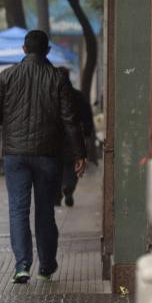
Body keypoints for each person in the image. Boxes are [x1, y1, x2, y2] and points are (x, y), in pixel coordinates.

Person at [0, 30, 85, 284]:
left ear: (23, 49)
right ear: (48, 51)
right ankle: (47, 265)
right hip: (47, 154)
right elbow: (70, 119)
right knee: (44, 211)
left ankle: (22, 266)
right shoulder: (57, 78)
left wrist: (8, 122)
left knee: (18, 209)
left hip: (15, 155)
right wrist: (79, 153)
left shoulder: (8, 75)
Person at [54, 67, 95, 207]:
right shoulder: (78, 95)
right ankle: (69, 188)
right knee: (73, 165)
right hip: (74, 137)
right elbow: (87, 116)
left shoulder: (52, 95)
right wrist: (88, 132)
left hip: (55, 138)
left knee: (56, 166)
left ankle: (57, 194)